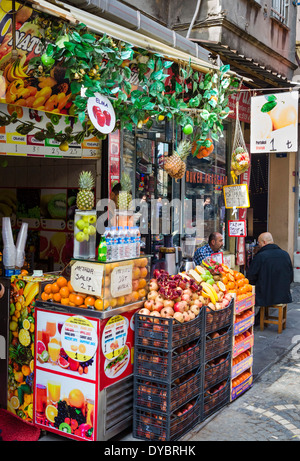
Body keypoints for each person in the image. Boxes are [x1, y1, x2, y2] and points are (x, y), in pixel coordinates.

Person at [247, 232, 293, 308]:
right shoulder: (285, 254)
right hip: (283, 294)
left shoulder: (260, 256)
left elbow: (251, 276)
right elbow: (290, 276)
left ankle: (258, 317)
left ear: (264, 242)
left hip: (265, 296)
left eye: (259, 242)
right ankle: (261, 316)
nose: (258, 245)